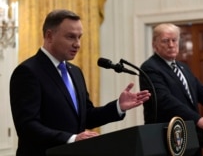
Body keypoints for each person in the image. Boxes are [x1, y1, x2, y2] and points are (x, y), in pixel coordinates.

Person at [9, 9, 151, 156]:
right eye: (71, 37)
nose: (77, 44)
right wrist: (71, 138)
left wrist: (118, 107)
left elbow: (86, 116)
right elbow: (27, 127)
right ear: (49, 36)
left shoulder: (75, 72)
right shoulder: (28, 72)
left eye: (79, 37)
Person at [139, 23, 203, 139]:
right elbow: (164, 101)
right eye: (165, 41)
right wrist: (198, 119)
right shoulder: (150, 68)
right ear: (154, 44)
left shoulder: (183, 67)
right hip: (166, 137)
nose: (171, 45)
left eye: (174, 40)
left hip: (189, 134)